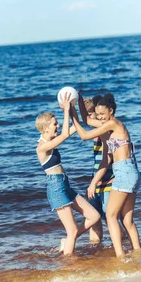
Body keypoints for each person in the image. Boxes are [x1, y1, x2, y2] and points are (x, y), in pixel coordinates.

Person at [71, 93, 141, 258]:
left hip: (124, 172)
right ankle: (139, 254)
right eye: (98, 114)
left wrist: (71, 115)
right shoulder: (112, 125)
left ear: (111, 110)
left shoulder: (113, 124)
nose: (100, 117)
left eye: (103, 114)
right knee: (127, 221)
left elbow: (84, 135)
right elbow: (87, 121)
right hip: (131, 172)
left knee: (110, 216)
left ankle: (120, 256)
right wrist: (78, 102)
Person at [36, 94, 100, 256]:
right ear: (45, 129)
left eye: (57, 124)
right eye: (55, 125)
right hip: (56, 188)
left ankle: (67, 242)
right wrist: (65, 111)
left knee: (94, 216)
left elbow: (73, 128)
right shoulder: (42, 148)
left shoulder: (50, 141)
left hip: (65, 185)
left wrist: (72, 109)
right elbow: (64, 134)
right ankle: (68, 266)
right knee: (71, 231)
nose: (57, 127)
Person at [81, 96, 114, 244]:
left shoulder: (105, 130)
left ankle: (124, 246)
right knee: (93, 217)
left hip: (108, 182)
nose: (89, 118)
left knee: (110, 218)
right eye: (87, 114)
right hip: (96, 182)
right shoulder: (97, 132)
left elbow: (107, 160)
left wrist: (94, 182)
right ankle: (95, 252)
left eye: (91, 114)